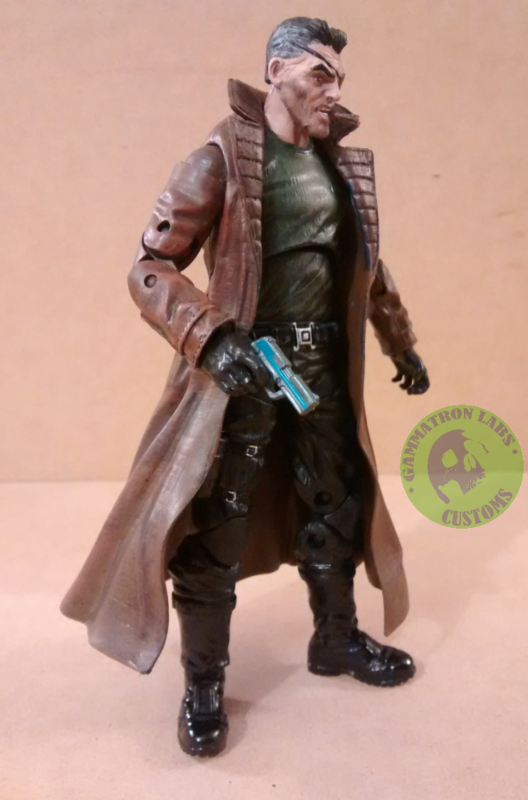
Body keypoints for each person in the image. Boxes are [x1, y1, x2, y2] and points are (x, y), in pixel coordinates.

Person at [61, 17, 430, 758]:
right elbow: (150, 268)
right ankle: (203, 682)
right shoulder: (222, 159)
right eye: (320, 73)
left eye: (339, 78)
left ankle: (334, 637)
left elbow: (366, 267)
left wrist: (401, 340)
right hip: (245, 370)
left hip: (322, 369)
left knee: (336, 501)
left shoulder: (336, 165)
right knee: (216, 522)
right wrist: (210, 336)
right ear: (276, 70)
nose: (333, 91)